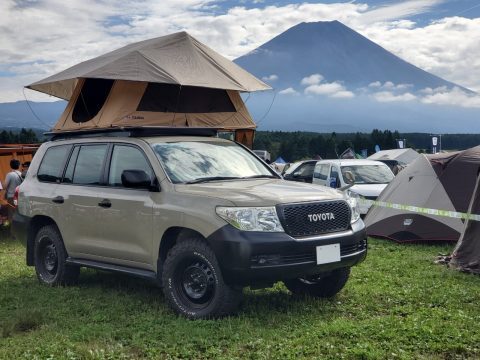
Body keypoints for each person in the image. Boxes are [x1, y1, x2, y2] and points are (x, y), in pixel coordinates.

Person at [4, 159, 23, 229]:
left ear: (10, 165)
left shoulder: (9, 175)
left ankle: (13, 234)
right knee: (20, 214)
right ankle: (21, 230)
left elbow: (5, 186)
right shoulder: (21, 174)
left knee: (11, 214)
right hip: (20, 197)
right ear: (18, 165)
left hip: (11, 197)